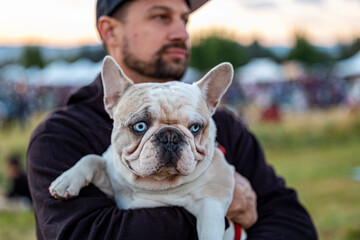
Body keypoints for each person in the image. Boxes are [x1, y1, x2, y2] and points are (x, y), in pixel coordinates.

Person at [27, 0, 318, 239]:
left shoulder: (224, 125)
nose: (181, 32)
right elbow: (86, 234)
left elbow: (294, 224)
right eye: (161, 16)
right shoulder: (60, 135)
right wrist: (216, 207)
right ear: (111, 32)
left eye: (185, 19)